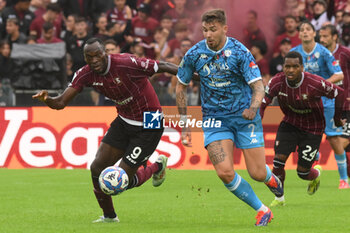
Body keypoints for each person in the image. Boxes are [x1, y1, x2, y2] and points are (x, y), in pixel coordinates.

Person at [32, 37, 181, 223]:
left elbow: (164, 65)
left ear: (105, 53)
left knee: (121, 182)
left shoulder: (126, 63)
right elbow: (61, 102)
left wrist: (194, 77)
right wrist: (47, 99)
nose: (94, 60)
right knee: (96, 167)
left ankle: (157, 166)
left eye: (97, 55)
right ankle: (109, 217)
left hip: (151, 121)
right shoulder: (85, 74)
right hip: (124, 120)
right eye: (89, 57)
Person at [176, 9, 283, 227]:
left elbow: (258, 87)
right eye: (205, 30)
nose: (208, 34)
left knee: (257, 172)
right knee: (224, 172)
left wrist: (253, 108)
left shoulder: (240, 52)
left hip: (245, 117)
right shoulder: (194, 54)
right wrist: (185, 123)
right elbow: (180, 87)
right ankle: (262, 210)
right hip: (214, 119)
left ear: (225, 28)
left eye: (213, 30)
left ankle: (270, 178)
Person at [261, 51, 344, 207]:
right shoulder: (277, 82)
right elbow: (263, 103)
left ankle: (316, 174)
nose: (291, 70)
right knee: (278, 162)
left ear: (302, 67)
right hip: (290, 123)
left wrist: (338, 119)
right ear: (283, 67)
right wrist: (257, 120)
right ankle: (280, 199)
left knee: (303, 173)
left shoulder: (314, 83)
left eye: (295, 66)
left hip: (313, 128)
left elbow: (339, 93)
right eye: (287, 66)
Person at [290, 21, 345, 189]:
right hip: (304, 103)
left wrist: (320, 86)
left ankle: (344, 179)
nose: (305, 32)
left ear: (314, 34)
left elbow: (339, 75)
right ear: (298, 34)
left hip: (326, 102)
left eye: (308, 29)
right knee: (302, 138)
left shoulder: (324, 53)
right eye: (302, 30)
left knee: (334, 139)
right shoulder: (294, 53)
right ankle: (316, 159)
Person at [319, 24, 350, 188]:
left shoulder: (345, 53)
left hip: (346, 104)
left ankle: (343, 178)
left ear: (334, 37)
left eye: (325, 36)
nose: (322, 40)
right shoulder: (318, 54)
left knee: (340, 140)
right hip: (326, 103)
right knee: (335, 139)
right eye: (321, 36)